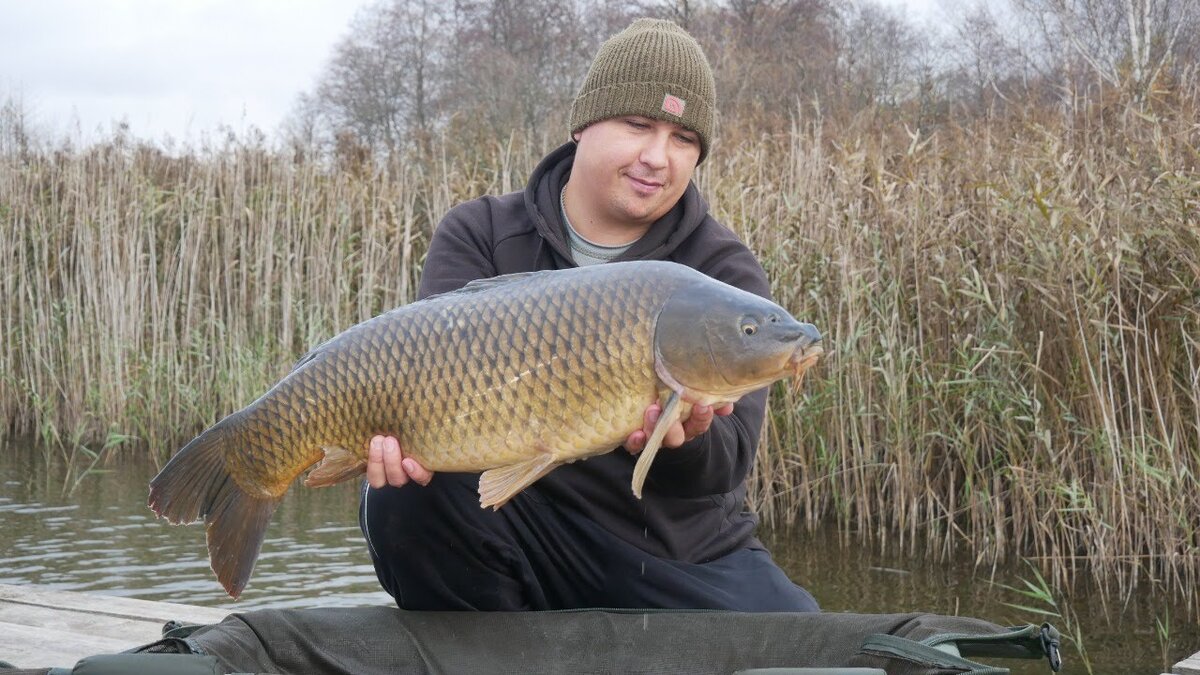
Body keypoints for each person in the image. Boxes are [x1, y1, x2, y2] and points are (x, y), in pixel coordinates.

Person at [358, 17, 819, 613]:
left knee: (795, 635)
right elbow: (431, 399)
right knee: (400, 496)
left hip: (671, 549)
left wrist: (684, 441)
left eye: (684, 139)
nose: (658, 157)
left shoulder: (719, 271)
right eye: (638, 125)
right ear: (584, 125)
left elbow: (724, 468)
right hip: (513, 526)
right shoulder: (481, 233)